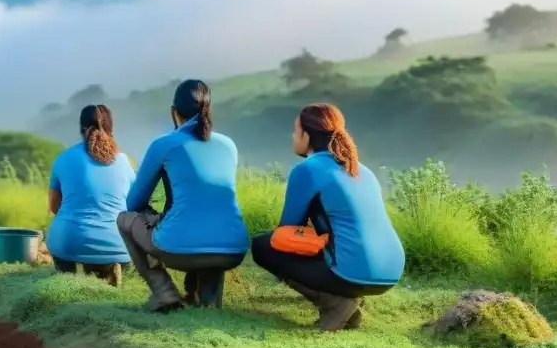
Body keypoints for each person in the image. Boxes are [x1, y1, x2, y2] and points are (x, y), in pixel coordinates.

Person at [251, 103, 405, 331]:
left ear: (307, 135)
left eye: (296, 130)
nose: (294, 136)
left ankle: (335, 303)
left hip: (352, 269)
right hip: (391, 270)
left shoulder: (308, 169)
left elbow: (286, 230)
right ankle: (347, 305)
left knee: (263, 245)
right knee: (327, 245)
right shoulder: (363, 170)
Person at [117, 79, 250, 311]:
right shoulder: (228, 145)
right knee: (210, 224)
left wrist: (156, 216)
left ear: (173, 113)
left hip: (180, 247)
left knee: (125, 219)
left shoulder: (165, 144)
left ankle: (164, 292)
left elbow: (133, 203)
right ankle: (208, 303)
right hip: (233, 249)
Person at [46, 104, 136, 287]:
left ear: (83, 129)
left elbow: (54, 208)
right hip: (118, 247)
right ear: (111, 129)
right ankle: (107, 271)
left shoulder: (63, 159)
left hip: (68, 243)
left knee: (66, 237)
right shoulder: (124, 162)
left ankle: (72, 280)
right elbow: (134, 205)